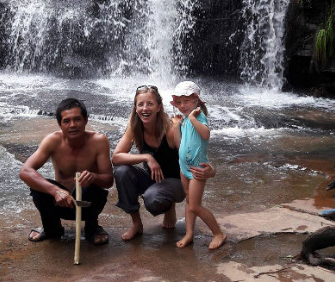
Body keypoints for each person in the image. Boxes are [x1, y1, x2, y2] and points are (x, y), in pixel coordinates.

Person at [112, 85, 215, 241]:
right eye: (140, 104)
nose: (145, 108)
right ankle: (136, 223)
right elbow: (116, 157)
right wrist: (147, 157)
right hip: (153, 177)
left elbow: (192, 154)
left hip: (176, 182)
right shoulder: (135, 127)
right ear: (135, 107)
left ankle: (169, 207)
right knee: (121, 171)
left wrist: (211, 170)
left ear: (159, 107)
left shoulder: (171, 129)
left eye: (150, 104)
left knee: (153, 199)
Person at [19, 98, 113, 245]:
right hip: (61, 203)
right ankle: (51, 227)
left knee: (89, 186)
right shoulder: (52, 140)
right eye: (67, 121)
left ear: (86, 120)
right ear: (60, 124)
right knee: (39, 186)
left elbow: (108, 180)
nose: (73, 125)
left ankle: (92, 227)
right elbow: (25, 171)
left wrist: (93, 177)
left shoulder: (99, 141)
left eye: (77, 119)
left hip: (88, 203)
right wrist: (55, 191)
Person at [171, 81, 226, 250]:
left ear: (196, 100)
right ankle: (189, 234)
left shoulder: (198, 117)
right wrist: (176, 127)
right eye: (179, 102)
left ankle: (218, 233)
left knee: (195, 205)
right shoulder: (186, 120)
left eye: (186, 101)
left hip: (197, 168)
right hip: (184, 167)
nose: (182, 106)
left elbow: (206, 134)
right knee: (189, 201)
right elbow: (179, 144)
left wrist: (193, 118)